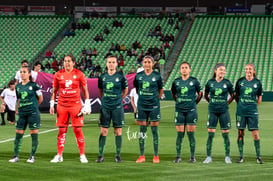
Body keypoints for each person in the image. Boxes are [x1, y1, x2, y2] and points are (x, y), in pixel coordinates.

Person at [49, 54, 91, 163]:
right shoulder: (58, 74)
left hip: (75, 105)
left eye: (69, 61)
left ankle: (82, 155)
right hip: (62, 106)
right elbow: (54, 90)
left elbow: (85, 89)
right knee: (62, 130)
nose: (66, 63)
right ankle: (59, 155)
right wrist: (52, 104)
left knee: (77, 130)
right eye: (65, 61)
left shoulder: (79, 74)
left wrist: (87, 103)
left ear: (73, 62)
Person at [96, 55, 128, 163]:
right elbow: (100, 90)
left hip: (117, 106)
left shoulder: (121, 77)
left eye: (113, 62)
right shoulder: (102, 77)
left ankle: (118, 155)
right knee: (103, 131)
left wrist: (119, 99)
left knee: (118, 131)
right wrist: (106, 99)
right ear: (106, 64)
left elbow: (125, 90)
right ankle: (100, 155)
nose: (111, 64)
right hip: (105, 106)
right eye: (109, 62)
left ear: (116, 64)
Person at [8, 66, 43, 163]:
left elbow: (40, 98)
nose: (22, 73)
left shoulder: (34, 85)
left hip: (33, 114)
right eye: (21, 72)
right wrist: (18, 109)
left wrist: (34, 107)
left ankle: (32, 156)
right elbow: (19, 99)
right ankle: (15, 156)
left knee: (34, 135)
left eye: (24, 72)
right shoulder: (18, 86)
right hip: (22, 114)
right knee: (18, 135)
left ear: (29, 74)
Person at [133, 56, 163, 163]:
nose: (147, 64)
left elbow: (160, 90)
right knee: (142, 131)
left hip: (154, 106)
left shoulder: (157, 76)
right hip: (142, 106)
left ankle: (156, 156)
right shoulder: (138, 76)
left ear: (153, 64)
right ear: (142, 64)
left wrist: (154, 100)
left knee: (154, 130)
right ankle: (142, 156)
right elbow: (137, 89)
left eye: (149, 62)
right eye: (145, 62)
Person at [171, 62, 202, 163]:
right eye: (182, 68)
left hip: (191, 111)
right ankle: (178, 156)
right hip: (179, 111)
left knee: (190, 135)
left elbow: (200, 94)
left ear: (189, 69)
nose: (184, 69)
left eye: (186, 68)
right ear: (180, 70)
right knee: (180, 135)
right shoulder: (176, 82)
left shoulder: (194, 81)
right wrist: (178, 102)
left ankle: (192, 157)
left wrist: (194, 103)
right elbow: (173, 93)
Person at [203, 63, 234, 164]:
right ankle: (208, 157)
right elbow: (206, 95)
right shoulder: (210, 82)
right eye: (221, 70)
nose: (223, 72)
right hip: (212, 111)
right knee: (210, 134)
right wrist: (212, 102)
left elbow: (232, 95)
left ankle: (227, 156)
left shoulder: (227, 83)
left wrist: (226, 103)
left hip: (224, 111)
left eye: (224, 70)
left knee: (225, 135)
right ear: (215, 70)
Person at [235, 63, 263, 164]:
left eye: (250, 69)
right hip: (241, 111)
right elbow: (236, 95)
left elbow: (259, 97)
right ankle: (241, 156)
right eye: (246, 69)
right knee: (240, 133)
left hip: (252, 112)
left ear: (254, 71)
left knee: (255, 134)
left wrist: (254, 106)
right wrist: (242, 105)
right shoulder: (240, 81)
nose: (248, 71)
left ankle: (258, 156)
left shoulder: (258, 83)